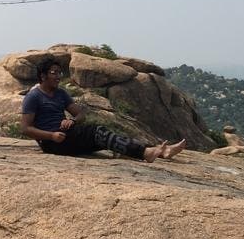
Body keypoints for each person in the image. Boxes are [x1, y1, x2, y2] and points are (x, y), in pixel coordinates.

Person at [21, 57, 186, 162]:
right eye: (54, 73)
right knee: (97, 132)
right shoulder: (34, 97)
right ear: (43, 76)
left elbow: (81, 113)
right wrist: (51, 135)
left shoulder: (60, 93)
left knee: (107, 136)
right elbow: (26, 128)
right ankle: (148, 152)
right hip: (53, 143)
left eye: (59, 72)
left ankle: (159, 151)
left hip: (67, 135)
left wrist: (71, 120)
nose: (58, 76)